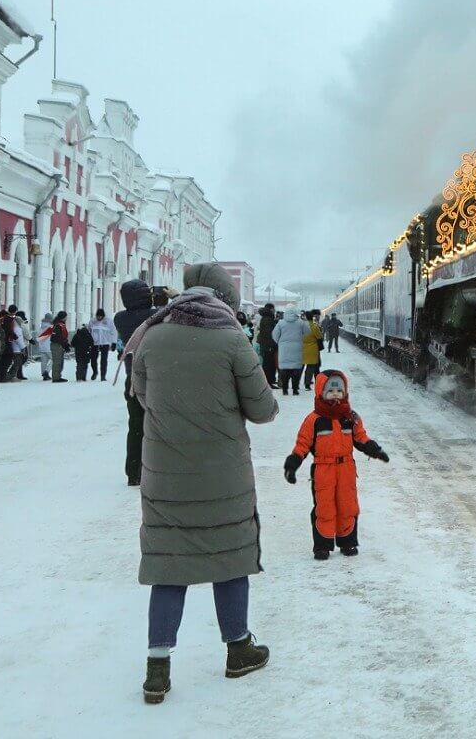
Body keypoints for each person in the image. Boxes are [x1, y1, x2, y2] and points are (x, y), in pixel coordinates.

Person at [128, 262, 276, 705]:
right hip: (223, 473)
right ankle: (238, 650)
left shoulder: (152, 335)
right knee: (229, 560)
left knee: (168, 565)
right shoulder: (232, 338)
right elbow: (263, 408)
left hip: (165, 470)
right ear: (223, 298)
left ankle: (158, 668)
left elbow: (140, 394)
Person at [283, 370, 388, 560]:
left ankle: (347, 542)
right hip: (324, 469)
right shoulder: (314, 419)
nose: (335, 394)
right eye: (330, 391)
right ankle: (322, 546)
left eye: (339, 390)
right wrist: (293, 464)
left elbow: (361, 438)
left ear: (345, 392)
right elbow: (303, 444)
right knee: (325, 507)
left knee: (348, 505)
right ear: (320, 392)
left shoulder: (351, 417)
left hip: (346, 468)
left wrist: (375, 450)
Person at [114, 280, 157, 488]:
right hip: (155, 377)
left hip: (132, 377)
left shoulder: (120, 318)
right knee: (159, 425)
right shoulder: (155, 315)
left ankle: (133, 472)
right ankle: (156, 468)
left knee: (136, 425)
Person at [272, 309, 308, 395]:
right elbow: (307, 333)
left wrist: (280, 343)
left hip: (284, 350)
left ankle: (285, 390)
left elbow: (274, 335)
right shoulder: (300, 323)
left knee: (285, 370)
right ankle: (295, 390)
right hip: (296, 350)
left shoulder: (280, 323)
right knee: (296, 371)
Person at [43, 311, 71, 382]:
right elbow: (58, 337)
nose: (66, 318)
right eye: (66, 317)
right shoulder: (58, 325)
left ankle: (58, 376)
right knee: (57, 362)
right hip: (57, 345)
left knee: (60, 361)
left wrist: (65, 344)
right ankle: (56, 377)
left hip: (59, 345)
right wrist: (65, 344)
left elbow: (63, 336)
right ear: (63, 317)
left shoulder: (60, 324)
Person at [255, 304, 278, 388]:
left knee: (269, 363)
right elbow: (268, 334)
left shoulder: (266, 318)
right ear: (271, 309)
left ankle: (270, 380)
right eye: (273, 309)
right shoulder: (268, 319)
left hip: (266, 344)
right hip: (268, 345)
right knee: (268, 364)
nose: (274, 310)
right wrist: (271, 345)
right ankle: (268, 382)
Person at [302, 311, 323, 390]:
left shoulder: (302, 325)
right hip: (312, 349)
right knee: (310, 367)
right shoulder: (314, 325)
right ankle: (307, 384)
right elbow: (319, 336)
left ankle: (296, 383)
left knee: (301, 367)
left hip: (302, 348)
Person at [36, 312, 54, 380]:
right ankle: (46, 371)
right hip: (49, 347)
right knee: (54, 359)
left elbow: (37, 336)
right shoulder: (51, 327)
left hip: (42, 346)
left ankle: (44, 375)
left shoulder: (41, 327)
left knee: (43, 361)